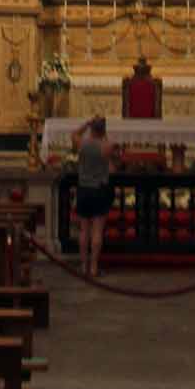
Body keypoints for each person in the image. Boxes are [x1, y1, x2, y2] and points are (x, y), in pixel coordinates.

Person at [73, 115, 114, 279]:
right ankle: (94, 267)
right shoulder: (107, 146)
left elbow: (74, 133)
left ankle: (83, 266)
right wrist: (103, 134)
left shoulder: (82, 143)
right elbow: (111, 162)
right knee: (97, 230)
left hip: (83, 188)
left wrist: (86, 124)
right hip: (99, 189)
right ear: (103, 130)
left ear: (91, 129)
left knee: (84, 230)